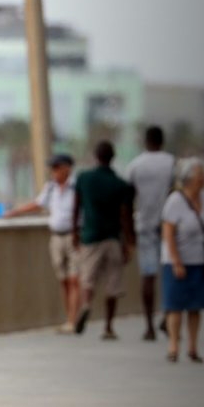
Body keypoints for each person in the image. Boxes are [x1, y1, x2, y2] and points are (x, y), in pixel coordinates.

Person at [4, 153, 80, 333]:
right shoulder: (51, 188)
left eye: (57, 168)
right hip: (56, 237)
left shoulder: (78, 187)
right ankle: (69, 316)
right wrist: (15, 212)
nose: (54, 172)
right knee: (63, 279)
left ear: (67, 168)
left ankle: (73, 319)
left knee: (74, 278)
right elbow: (37, 204)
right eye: (52, 169)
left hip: (74, 236)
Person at [73, 140, 135, 339]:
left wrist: (75, 232)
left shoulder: (84, 179)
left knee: (87, 278)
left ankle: (85, 305)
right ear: (112, 158)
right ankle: (108, 326)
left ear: (96, 156)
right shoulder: (120, 185)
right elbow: (126, 216)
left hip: (90, 236)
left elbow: (77, 207)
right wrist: (128, 242)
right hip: (112, 237)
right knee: (112, 283)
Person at [159, 158, 204, 363]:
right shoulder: (175, 200)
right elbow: (168, 233)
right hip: (177, 261)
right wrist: (176, 261)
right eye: (200, 175)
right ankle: (173, 345)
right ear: (190, 178)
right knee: (175, 305)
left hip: (200, 260)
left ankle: (193, 346)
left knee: (195, 306)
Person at [126, 126, 175, 340]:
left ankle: (149, 326)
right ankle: (167, 317)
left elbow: (127, 201)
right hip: (170, 226)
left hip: (144, 225)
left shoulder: (135, 165)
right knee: (170, 275)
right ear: (162, 141)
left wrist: (128, 233)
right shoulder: (172, 163)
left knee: (148, 276)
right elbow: (178, 193)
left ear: (145, 142)